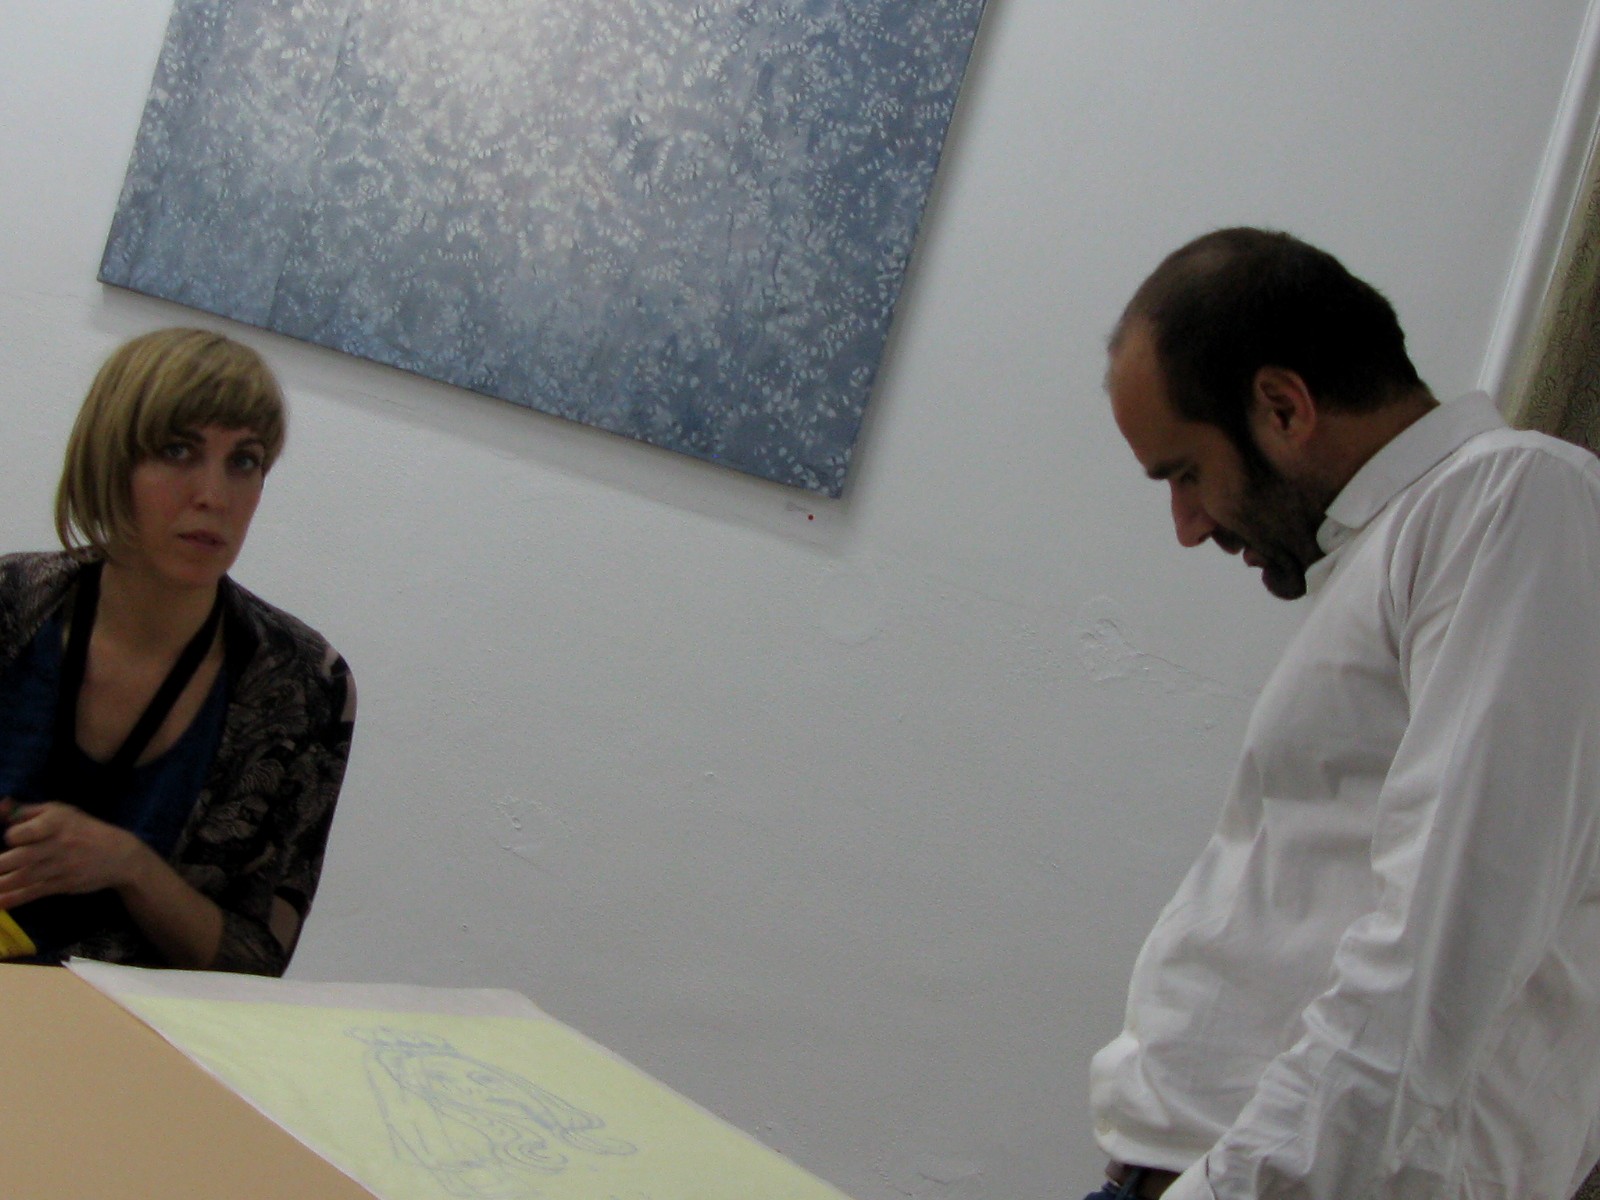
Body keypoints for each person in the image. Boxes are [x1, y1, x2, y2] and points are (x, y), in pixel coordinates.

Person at [1088, 227, 1600, 1199]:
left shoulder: (1512, 499)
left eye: (1185, 474)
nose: (1187, 527)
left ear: (1283, 407)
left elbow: (1439, 961)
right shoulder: (1412, 536)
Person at [0, 328, 355, 976]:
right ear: (109, 463)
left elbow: (256, 963)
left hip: (128, 1026)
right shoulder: (9, 604)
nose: (213, 497)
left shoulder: (303, 685)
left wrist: (128, 865)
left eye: (243, 462)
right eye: (176, 451)